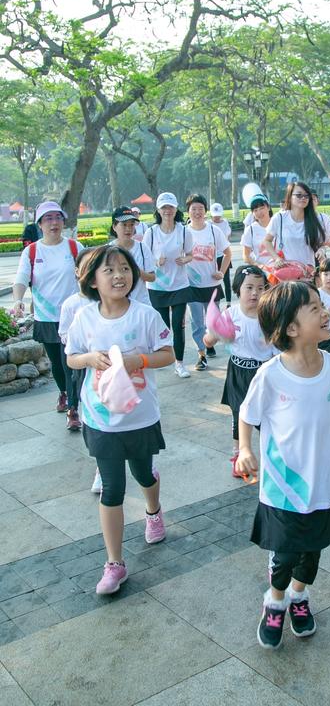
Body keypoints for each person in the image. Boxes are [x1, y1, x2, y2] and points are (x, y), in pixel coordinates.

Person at [236, 281, 330, 650]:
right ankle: (275, 601)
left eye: (322, 305)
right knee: (285, 554)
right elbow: (247, 414)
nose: (325, 311)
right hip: (282, 487)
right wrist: (245, 449)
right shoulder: (271, 374)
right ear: (292, 328)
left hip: (321, 485)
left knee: (313, 552)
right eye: (314, 308)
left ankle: (300, 597)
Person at [65, 245, 175, 595]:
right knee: (112, 488)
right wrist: (89, 358)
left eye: (125, 269)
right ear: (93, 280)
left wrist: (137, 360)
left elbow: (168, 354)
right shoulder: (84, 317)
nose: (118, 276)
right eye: (109, 270)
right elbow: (71, 358)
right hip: (100, 419)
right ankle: (114, 563)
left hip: (140, 416)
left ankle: (153, 510)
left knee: (143, 473)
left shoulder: (144, 315)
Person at [12, 201, 84, 417]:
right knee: (57, 364)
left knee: (70, 362)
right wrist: (18, 300)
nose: (54, 223)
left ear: (63, 221)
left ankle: (74, 408)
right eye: (48, 219)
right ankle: (63, 392)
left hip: (73, 317)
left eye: (58, 218)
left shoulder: (74, 247)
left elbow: (87, 275)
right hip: (46, 317)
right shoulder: (32, 251)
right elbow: (22, 278)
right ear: (40, 224)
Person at [206, 264, 276, 477]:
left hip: (263, 373)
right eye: (249, 287)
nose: (255, 293)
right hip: (238, 370)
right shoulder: (231, 314)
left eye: (261, 288)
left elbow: (277, 347)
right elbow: (208, 341)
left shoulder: (269, 315)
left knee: (266, 417)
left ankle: (274, 455)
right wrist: (217, 334)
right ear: (238, 289)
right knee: (239, 415)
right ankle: (239, 455)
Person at [143, 192, 194, 380]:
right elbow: (145, 258)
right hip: (158, 287)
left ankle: (180, 364)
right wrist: (156, 261)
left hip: (180, 285)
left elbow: (190, 254)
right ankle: (164, 359)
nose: (167, 211)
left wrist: (185, 259)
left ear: (176, 209)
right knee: (163, 328)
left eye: (170, 207)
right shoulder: (151, 232)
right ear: (158, 210)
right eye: (164, 207)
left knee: (178, 325)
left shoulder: (183, 231)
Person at [185, 194, 231, 370]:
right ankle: (201, 355)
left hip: (212, 285)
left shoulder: (213, 231)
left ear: (205, 211)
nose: (197, 212)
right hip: (192, 286)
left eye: (200, 209)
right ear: (188, 211)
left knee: (213, 323)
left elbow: (227, 253)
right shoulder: (184, 232)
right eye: (193, 209)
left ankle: (209, 342)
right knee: (197, 323)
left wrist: (221, 271)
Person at [57, 248, 95, 431]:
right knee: (73, 380)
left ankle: (93, 411)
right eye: (85, 267)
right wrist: (77, 345)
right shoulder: (71, 303)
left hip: (98, 353)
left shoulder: (104, 299)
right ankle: (72, 410)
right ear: (77, 271)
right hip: (77, 353)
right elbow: (63, 332)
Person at [263, 182, 326, 273]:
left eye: (306, 195)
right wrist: (277, 258)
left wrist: (321, 251)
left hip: (307, 274)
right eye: (299, 195)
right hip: (285, 273)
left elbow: (321, 244)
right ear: (290, 196)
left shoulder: (315, 220)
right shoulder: (279, 218)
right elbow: (267, 241)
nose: (303, 198)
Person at [109, 206, 156, 305]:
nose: (128, 229)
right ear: (114, 227)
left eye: (131, 225)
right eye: (124, 225)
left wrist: (136, 271)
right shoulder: (107, 251)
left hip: (141, 305)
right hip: (117, 306)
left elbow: (152, 277)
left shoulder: (143, 248)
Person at [210, 202, 233, 306]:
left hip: (224, 255)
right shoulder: (208, 224)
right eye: (215, 216)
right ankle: (214, 301)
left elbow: (227, 237)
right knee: (213, 280)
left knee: (226, 279)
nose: (217, 218)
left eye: (218, 215)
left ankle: (228, 302)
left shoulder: (225, 223)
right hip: (212, 257)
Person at [241, 195, 273, 266]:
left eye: (262, 208)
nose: (259, 212)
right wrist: (257, 265)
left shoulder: (278, 224)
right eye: (255, 210)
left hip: (280, 270)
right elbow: (245, 255)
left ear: (268, 208)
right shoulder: (250, 230)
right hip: (261, 272)